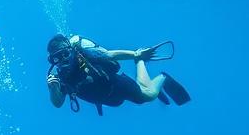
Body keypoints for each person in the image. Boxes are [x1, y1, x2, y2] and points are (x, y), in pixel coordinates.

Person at [46, 33, 190, 116]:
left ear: (71, 51)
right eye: (56, 58)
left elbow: (110, 55)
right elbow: (58, 103)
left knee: (147, 96)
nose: (63, 60)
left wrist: (136, 54)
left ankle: (161, 76)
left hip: (118, 86)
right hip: (108, 100)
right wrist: (53, 89)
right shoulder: (61, 78)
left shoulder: (84, 55)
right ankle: (142, 65)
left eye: (65, 54)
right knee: (136, 99)